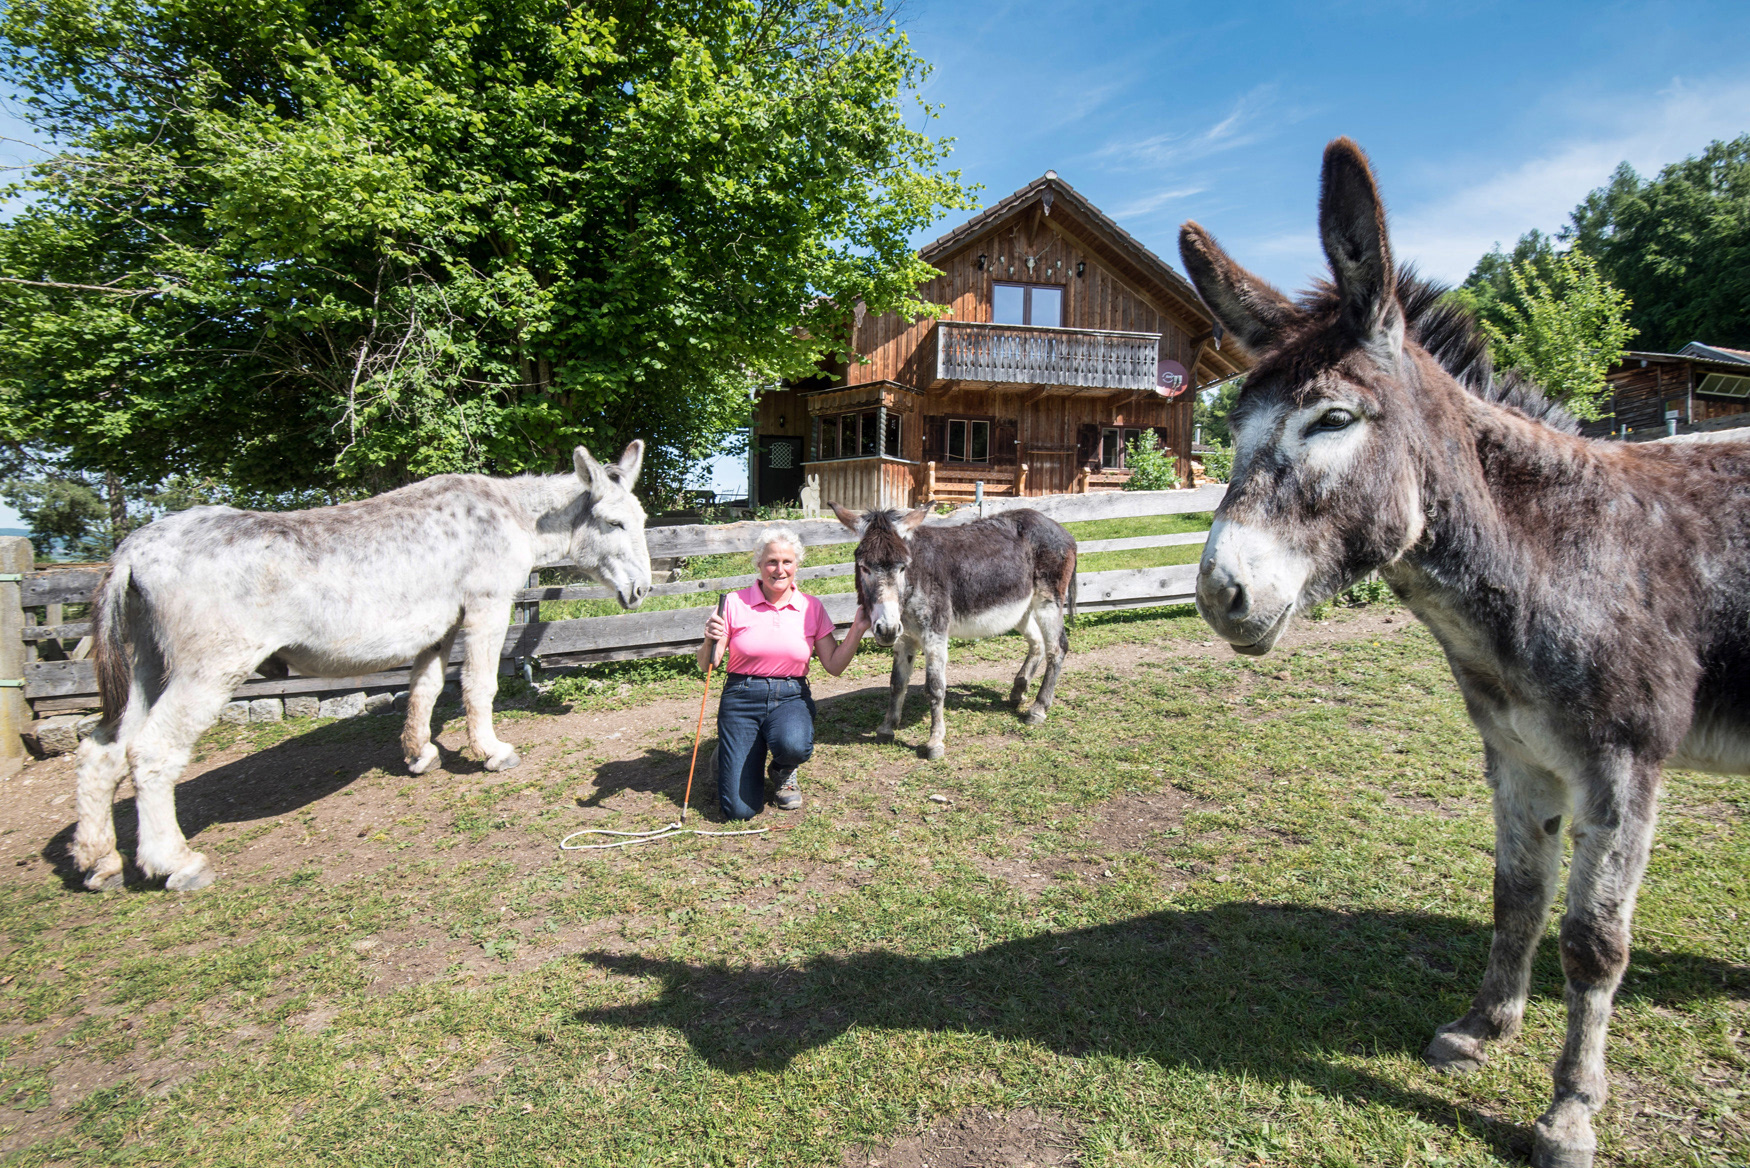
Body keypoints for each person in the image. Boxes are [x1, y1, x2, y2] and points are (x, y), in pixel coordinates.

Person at [699, 529, 870, 819]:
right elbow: (708, 664)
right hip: (741, 698)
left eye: (787, 562)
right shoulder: (734, 603)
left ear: (797, 565)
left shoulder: (811, 607)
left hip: (790, 697)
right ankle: (731, 753)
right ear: (759, 564)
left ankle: (782, 768)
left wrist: (858, 628)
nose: (779, 569)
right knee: (739, 811)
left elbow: (834, 665)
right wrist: (708, 640)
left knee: (793, 745)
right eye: (771, 562)